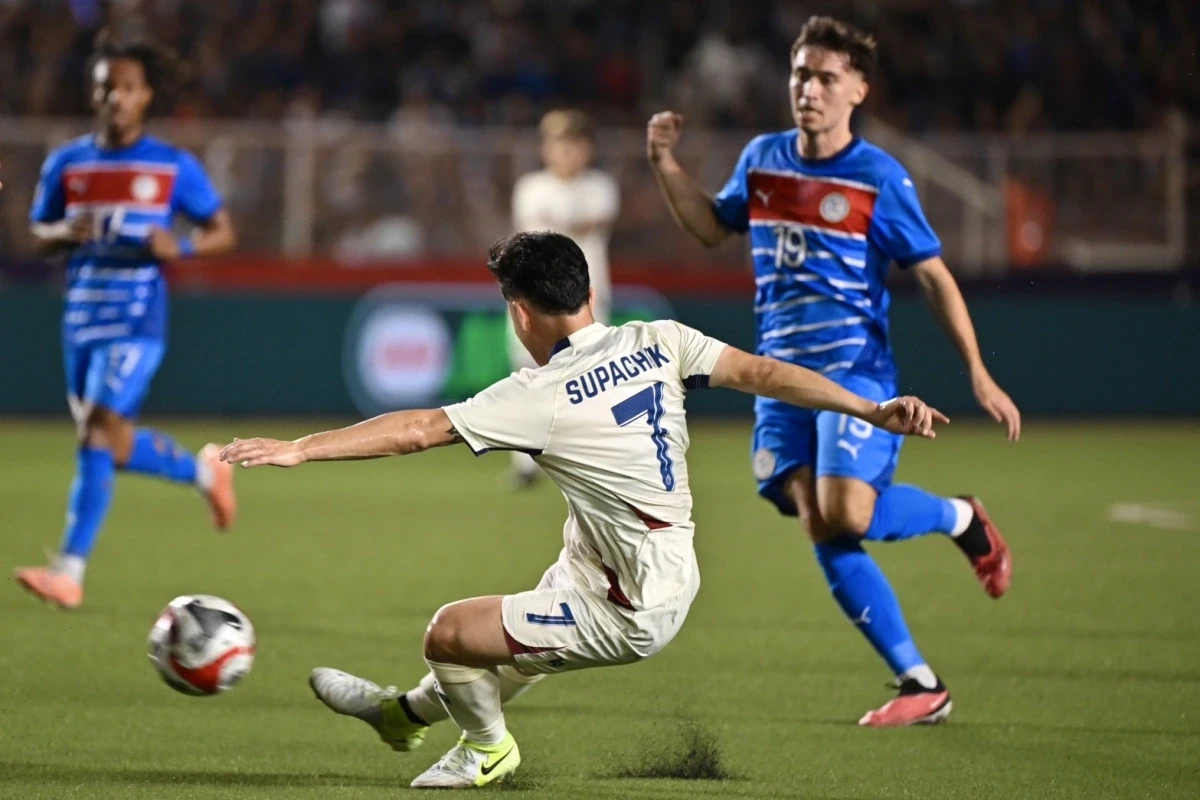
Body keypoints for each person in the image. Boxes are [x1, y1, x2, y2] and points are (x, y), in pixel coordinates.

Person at [218, 231, 948, 789]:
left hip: (631, 600)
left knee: (449, 633)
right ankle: (399, 717)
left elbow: (418, 430)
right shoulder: (658, 340)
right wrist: (869, 409)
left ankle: (485, 751)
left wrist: (300, 449)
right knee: (505, 653)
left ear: (520, 313)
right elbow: (760, 372)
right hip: (628, 562)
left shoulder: (540, 394)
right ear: (588, 292)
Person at [646, 16, 1020, 726]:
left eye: (824, 77)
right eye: (799, 74)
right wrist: (666, 165)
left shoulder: (878, 177)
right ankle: (920, 682)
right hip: (776, 378)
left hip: (855, 375)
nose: (807, 89)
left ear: (857, 90)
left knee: (847, 512)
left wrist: (976, 370)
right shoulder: (762, 159)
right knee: (822, 521)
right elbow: (709, 227)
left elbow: (933, 276)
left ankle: (961, 516)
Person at [14, 29, 238, 610]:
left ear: (146, 96)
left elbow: (223, 233)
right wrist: (62, 233)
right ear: (94, 95)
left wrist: (181, 249)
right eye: (106, 87)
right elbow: (37, 232)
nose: (117, 97)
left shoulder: (172, 166)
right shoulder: (67, 163)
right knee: (106, 441)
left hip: (137, 316)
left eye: (128, 88)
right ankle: (205, 474)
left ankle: (69, 570)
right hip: (81, 318)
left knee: (96, 430)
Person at [505, 109, 620, 489]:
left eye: (574, 143)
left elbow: (588, 223)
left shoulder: (601, 185)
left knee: (591, 377)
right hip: (536, 296)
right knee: (529, 377)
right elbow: (540, 234)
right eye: (558, 143)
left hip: (585, 298)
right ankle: (525, 464)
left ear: (587, 149)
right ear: (545, 149)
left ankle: (590, 460)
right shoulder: (531, 186)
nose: (567, 152)